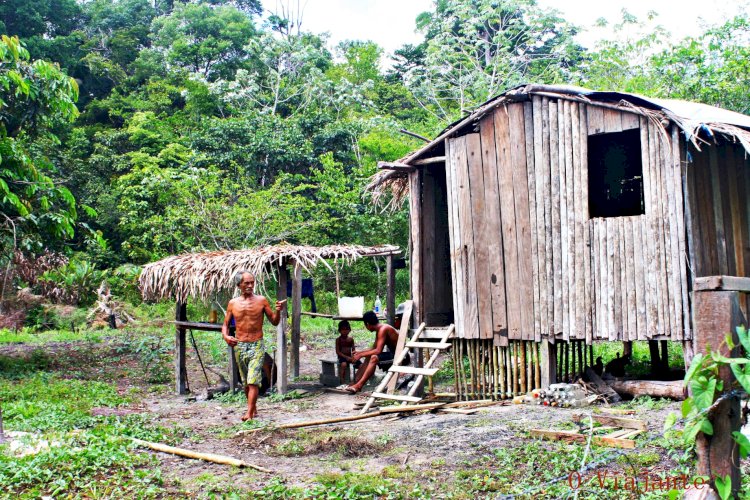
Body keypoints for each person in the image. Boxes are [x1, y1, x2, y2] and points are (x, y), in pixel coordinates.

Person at [222, 271, 285, 421]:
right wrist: (225, 336)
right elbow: (225, 325)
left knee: (253, 380)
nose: (250, 286)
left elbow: (275, 322)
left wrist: (277, 311)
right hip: (240, 345)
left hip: (257, 344)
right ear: (239, 285)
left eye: (252, 282)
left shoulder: (261, 301)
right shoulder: (233, 303)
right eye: (247, 283)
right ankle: (253, 409)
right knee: (245, 382)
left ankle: (249, 414)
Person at [345, 311, 399, 394]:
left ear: (367, 324)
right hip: (394, 354)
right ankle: (355, 382)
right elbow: (373, 348)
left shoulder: (383, 329)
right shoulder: (380, 329)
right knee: (369, 356)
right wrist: (360, 353)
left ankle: (359, 385)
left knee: (374, 357)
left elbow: (378, 350)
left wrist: (361, 355)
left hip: (401, 357)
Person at [334, 320, 359, 384]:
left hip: (349, 356)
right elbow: (338, 352)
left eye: (347, 329)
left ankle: (356, 379)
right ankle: (342, 380)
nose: (345, 331)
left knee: (360, 364)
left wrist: (353, 357)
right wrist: (346, 357)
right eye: (343, 329)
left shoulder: (351, 339)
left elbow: (353, 350)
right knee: (344, 364)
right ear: (339, 330)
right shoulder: (338, 340)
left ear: (349, 330)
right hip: (342, 357)